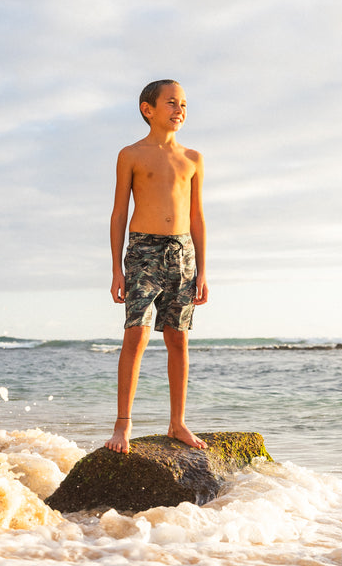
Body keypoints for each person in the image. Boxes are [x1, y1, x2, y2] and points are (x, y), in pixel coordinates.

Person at [105, 79, 209, 454]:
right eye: (171, 102)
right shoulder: (130, 154)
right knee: (136, 334)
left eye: (183, 104)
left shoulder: (193, 158)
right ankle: (123, 426)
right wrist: (117, 269)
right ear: (148, 109)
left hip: (182, 253)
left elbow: (197, 216)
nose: (179, 109)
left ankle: (177, 423)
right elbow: (119, 212)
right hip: (143, 250)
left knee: (178, 338)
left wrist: (203, 270)